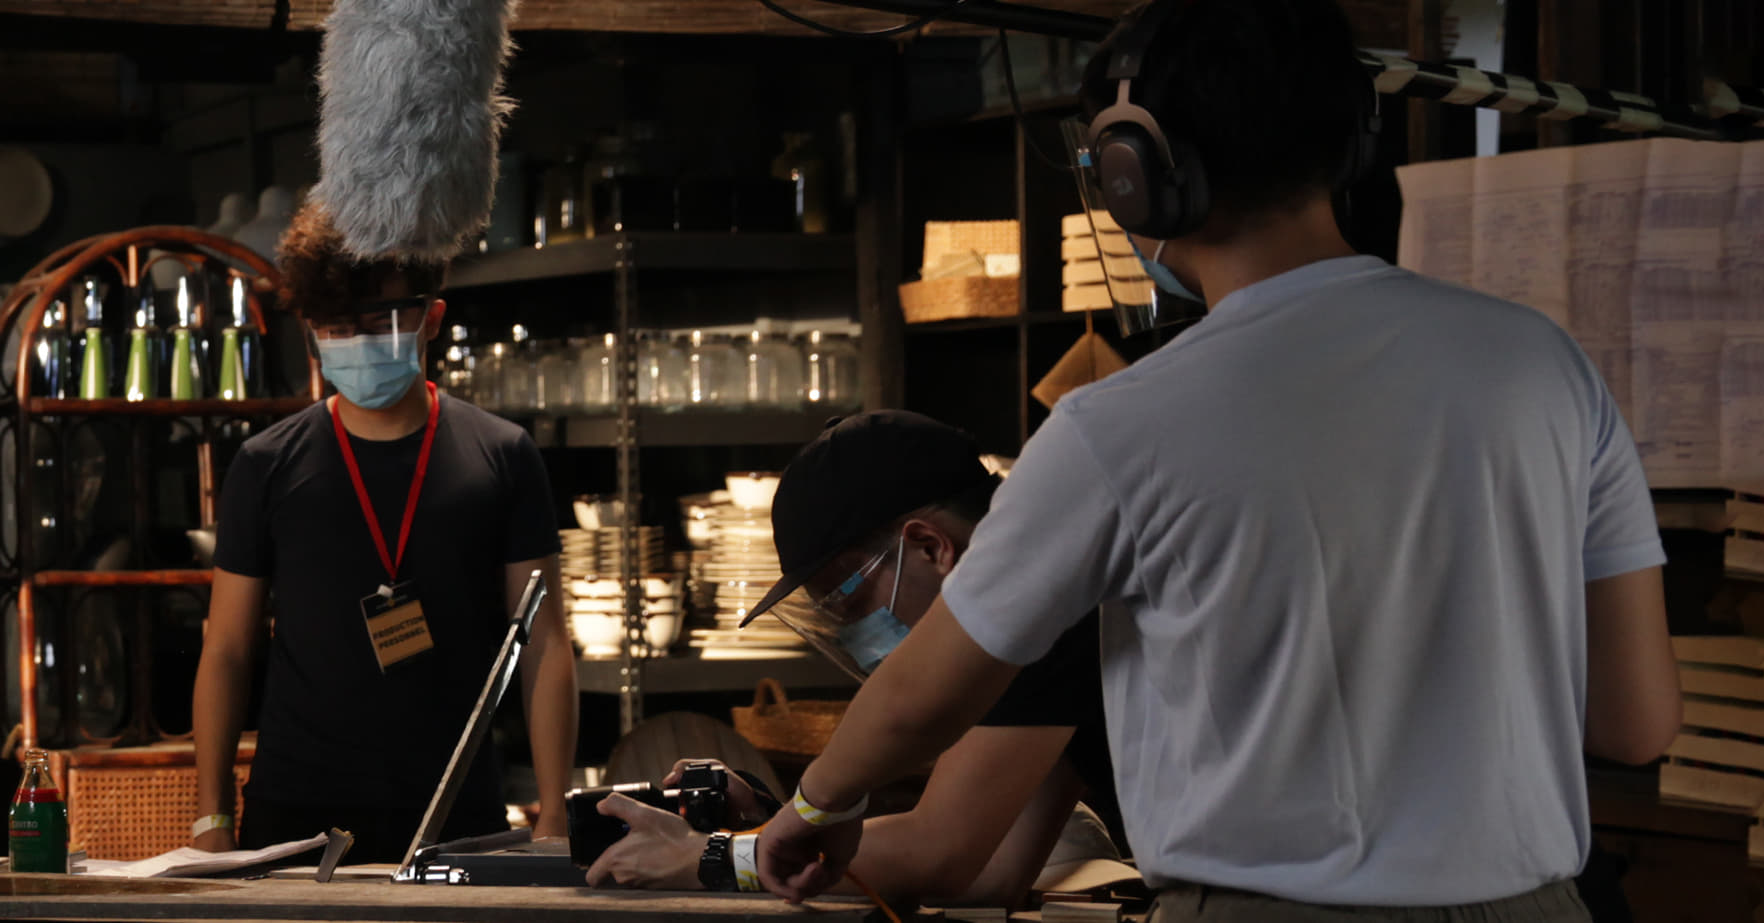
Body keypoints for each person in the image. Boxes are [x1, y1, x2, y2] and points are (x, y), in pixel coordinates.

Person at [751, 0, 1682, 923]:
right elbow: (1635, 722)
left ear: (1133, 169)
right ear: (1350, 138)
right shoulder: (1547, 366)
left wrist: (817, 805)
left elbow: (921, 697)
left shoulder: (1117, 427)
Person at [584, 411, 1126, 909]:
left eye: (850, 601)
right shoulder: (1049, 601)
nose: (855, 636)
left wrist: (709, 858)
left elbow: (938, 851)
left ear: (930, 547)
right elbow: (991, 869)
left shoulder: (1035, 606)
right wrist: (772, 828)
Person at [191, 203, 577, 861]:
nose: (361, 342)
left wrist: (554, 814)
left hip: (458, 812)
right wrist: (211, 815)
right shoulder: (266, 464)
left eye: (381, 321)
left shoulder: (503, 455)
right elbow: (227, 648)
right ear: (313, 333)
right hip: (296, 817)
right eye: (338, 327)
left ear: (433, 317)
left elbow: (544, 642)